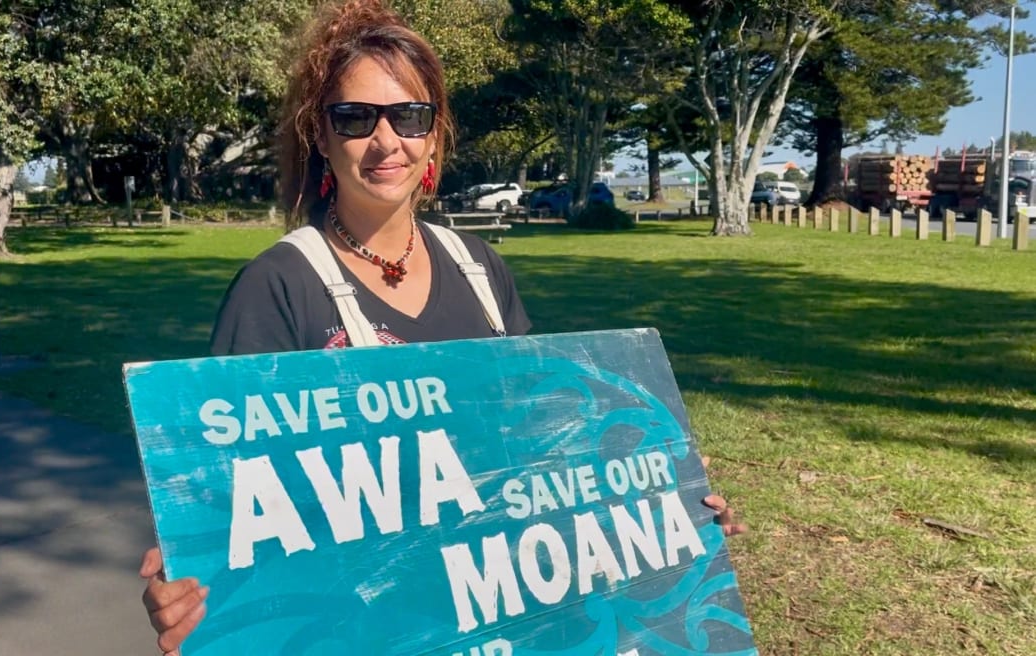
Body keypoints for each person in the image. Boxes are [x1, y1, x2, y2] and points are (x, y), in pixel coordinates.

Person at [138, 2, 742, 653]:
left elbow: (542, 454)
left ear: (434, 131)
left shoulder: (481, 270)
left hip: (503, 623)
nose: (385, 141)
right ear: (320, 134)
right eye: (354, 118)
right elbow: (230, 509)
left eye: (408, 116)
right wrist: (192, 593)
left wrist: (668, 500)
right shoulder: (277, 287)